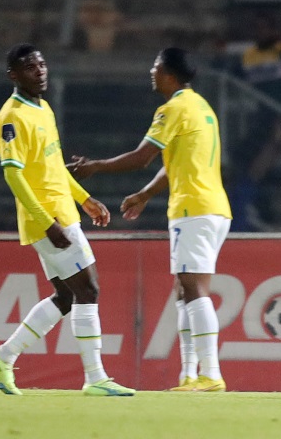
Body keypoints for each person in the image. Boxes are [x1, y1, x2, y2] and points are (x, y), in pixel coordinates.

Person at [68, 47, 231, 392]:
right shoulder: (201, 108)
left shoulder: (171, 109)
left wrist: (96, 166)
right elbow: (176, 165)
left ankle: (211, 374)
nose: (151, 73)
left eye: (156, 67)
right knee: (184, 290)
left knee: (194, 289)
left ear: (170, 75)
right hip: (211, 207)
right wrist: (144, 195)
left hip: (194, 209)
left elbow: (143, 157)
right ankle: (189, 373)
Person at [0, 43, 135, 396]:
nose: (39, 71)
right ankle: (95, 377)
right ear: (13, 75)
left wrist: (85, 199)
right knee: (89, 289)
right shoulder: (12, 118)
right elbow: (13, 176)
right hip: (48, 218)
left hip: (62, 213)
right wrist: (46, 221)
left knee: (67, 296)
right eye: (29, 67)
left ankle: (3, 358)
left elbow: (53, 167)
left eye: (41, 64)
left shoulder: (43, 108)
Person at [226, 12, 281, 232]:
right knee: (244, 160)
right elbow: (230, 75)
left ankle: (262, 210)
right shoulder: (250, 56)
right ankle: (255, 209)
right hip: (261, 117)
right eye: (258, 29)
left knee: (263, 162)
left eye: (266, 29)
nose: (261, 33)